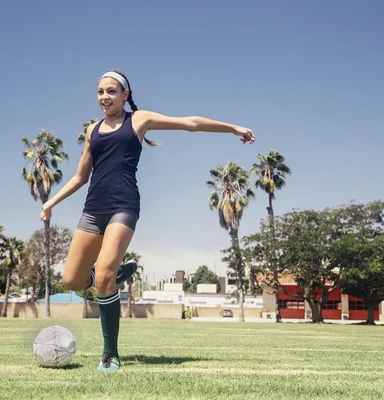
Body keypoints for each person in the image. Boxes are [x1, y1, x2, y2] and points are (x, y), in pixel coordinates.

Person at [40, 70, 256, 371]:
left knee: (102, 275)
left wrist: (232, 127)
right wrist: (50, 202)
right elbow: (80, 176)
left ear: (125, 95)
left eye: (112, 91)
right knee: (72, 279)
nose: (105, 97)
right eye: (100, 91)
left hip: (124, 205)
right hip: (93, 208)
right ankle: (114, 277)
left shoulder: (138, 120)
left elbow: (189, 124)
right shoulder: (92, 130)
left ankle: (110, 354)